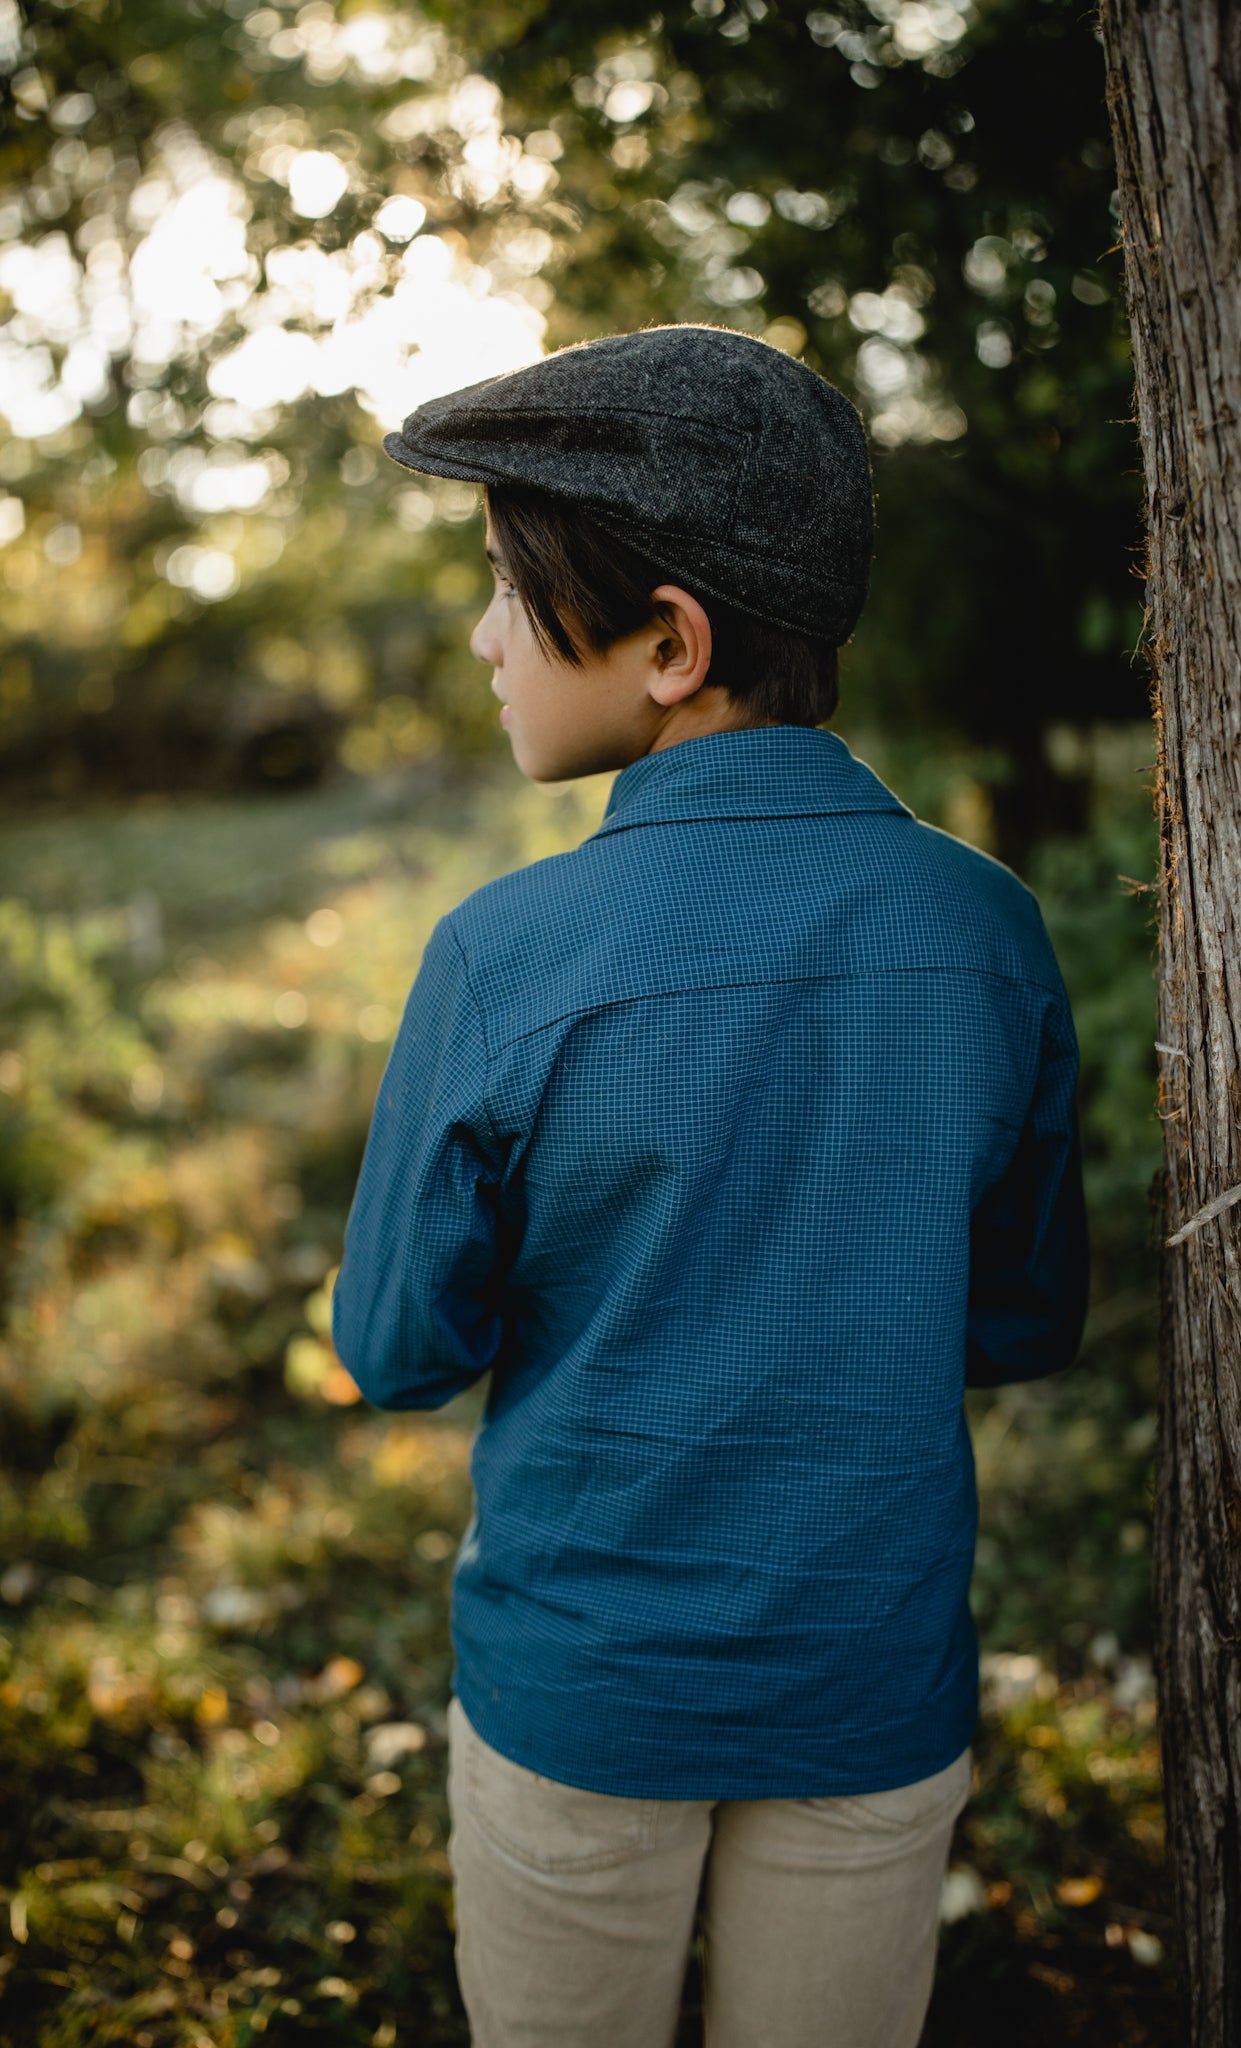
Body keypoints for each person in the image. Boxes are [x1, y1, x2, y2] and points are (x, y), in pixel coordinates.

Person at [332, 323, 1088, 2048]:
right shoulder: (987, 931)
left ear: (670, 645)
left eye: (509, 592)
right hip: (869, 1686)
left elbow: (394, 1348)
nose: (484, 637)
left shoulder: (505, 957)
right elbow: (1023, 1320)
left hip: (582, 1697)